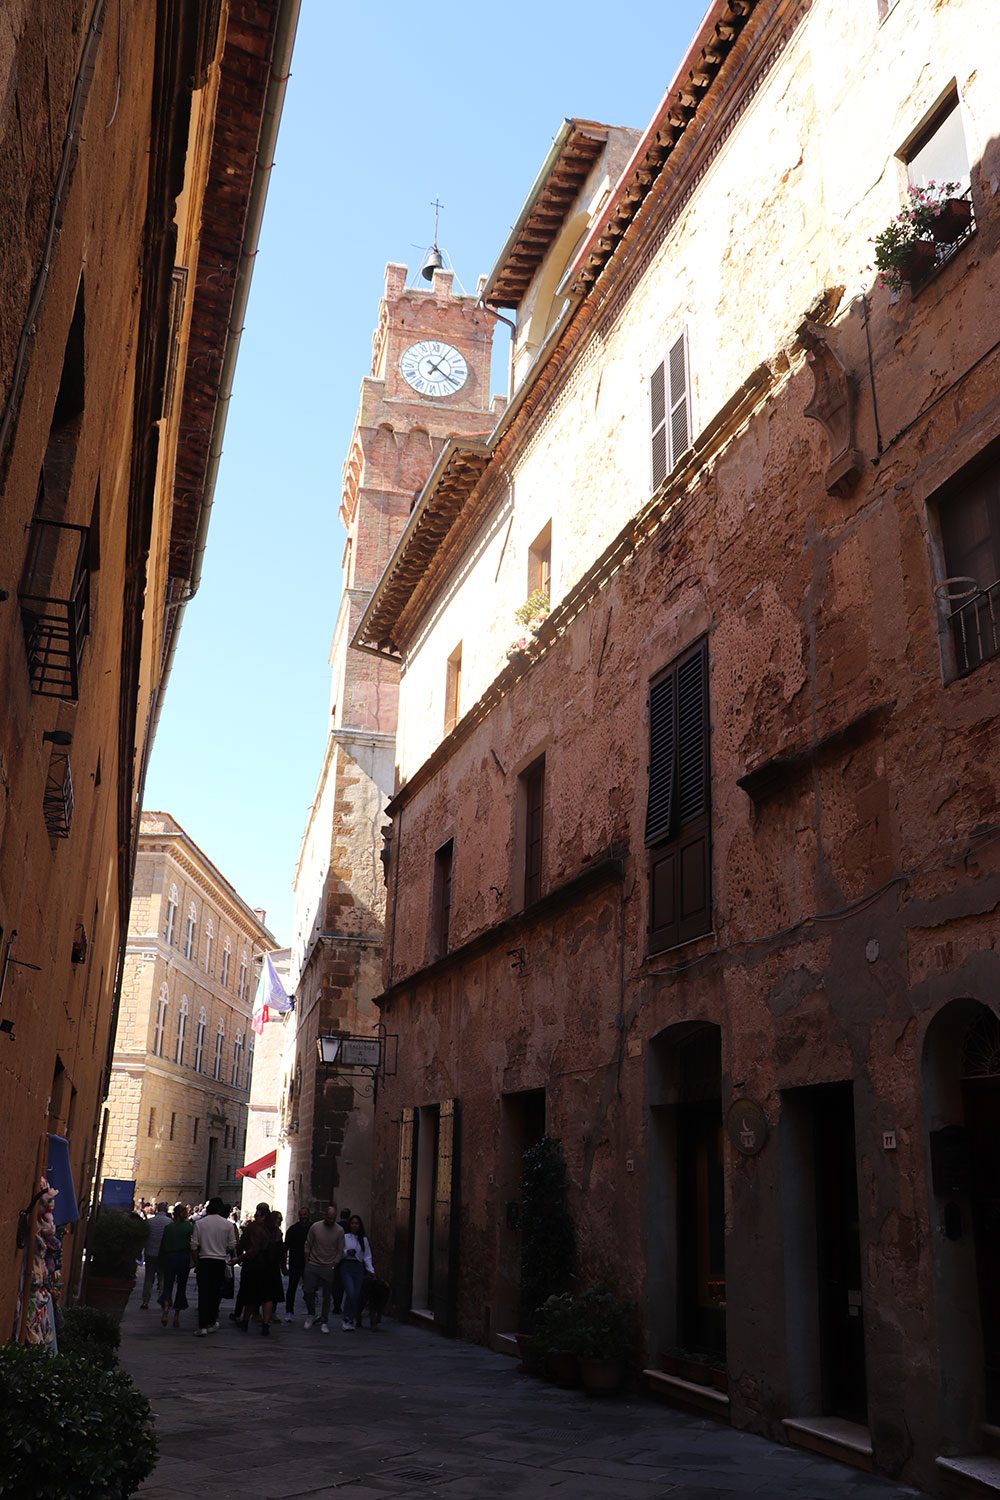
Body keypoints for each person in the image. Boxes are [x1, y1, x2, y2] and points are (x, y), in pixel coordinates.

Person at [191, 1196, 236, 1336]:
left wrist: (197, 1262)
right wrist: (222, 1251)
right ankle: (211, 1322)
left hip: (204, 1260)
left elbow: (193, 1246)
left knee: (203, 1294)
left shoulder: (200, 1224)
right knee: (215, 1294)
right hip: (219, 1262)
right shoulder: (228, 1224)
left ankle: (202, 1325)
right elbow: (232, 1245)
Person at [236, 1203, 283, 1336]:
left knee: (251, 1295)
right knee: (268, 1297)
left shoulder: (256, 1228)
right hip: (271, 1268)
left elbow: (254, 1249)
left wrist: (238, 1258)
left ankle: (245, 1321)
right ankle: (265, 1324)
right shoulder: (277, 1232)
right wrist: (282, 1266)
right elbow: (281, 1250)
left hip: (256, 1265)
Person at [302, 1204, 344, 1333]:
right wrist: (307, 1262)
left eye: (333, 1218)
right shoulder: (315, 1227)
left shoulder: (339, 1230)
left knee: (327, 1295)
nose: (331, 1220)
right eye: (329, 1217)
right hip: (313, 1264)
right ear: (325, 1215)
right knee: (308, 1290)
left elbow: (340, 1250)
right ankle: (311, 1313)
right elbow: (308, 1244)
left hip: (328, 1266)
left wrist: (334, 1264)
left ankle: (324, 1321)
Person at [158, 1204, 194, 1328]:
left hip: (169, 1257)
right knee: (181, 1286)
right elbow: (192, 1244)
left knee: (168, 1284)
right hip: (183, 1258)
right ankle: (176, 1316)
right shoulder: (189, 1227)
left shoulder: (168, 1228)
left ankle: (166, 1309)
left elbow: (162, 1245)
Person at [340, 1214, 374, 1331]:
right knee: (350, 1292)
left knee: (356, 1295)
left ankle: (350, 1318)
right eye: (353, 1223)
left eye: (357, 1223)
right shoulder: (344, 1237)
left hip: (358, 1268)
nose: (355, 1225)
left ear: (360, 1225)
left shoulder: (363, 1239)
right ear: (350, 1225)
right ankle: (345, 1318)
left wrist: (371, 1270)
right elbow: (339, 1252)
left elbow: (367, 1256)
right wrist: (346, 1253)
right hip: (347, 1267)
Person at [139, 1202, 171, 1308]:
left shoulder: (150, 1222)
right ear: (166, 1210)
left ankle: (145, 1301)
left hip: (150, 1253)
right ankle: (162, 1300)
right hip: (163, 1254)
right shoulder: (170, 1222)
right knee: (162, 1278)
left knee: (148, 1278)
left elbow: (144, 1237)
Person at [283, 1206, 311, 1323]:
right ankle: (289, 1311)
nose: (303, 1216)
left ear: (308, 1215)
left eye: (305, 1214)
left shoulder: (313, 1228)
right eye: (301, 1214)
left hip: (310, 1263)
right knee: (292, 1288)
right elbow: (286, 1247)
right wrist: (284, 1264)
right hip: (295, 1263)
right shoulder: (293, 1229)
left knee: (310, 1289)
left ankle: (311, 1312)